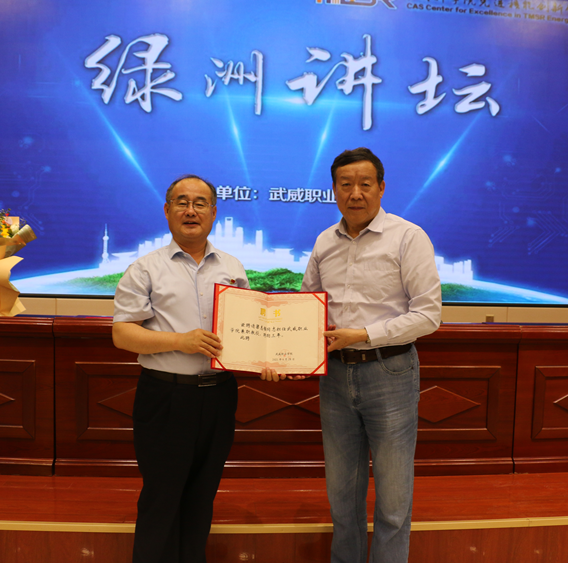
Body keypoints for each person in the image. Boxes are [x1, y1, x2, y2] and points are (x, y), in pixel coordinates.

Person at [113, 174, 274, 563]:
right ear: (167, 211)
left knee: (202, 497)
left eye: (200, 203)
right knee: (162, 498)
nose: (191, 210)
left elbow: (249, 331)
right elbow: (122, 334)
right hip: (166, 396)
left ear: (214, 213)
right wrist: (179, 341)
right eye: (182, 202)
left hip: (219, 396)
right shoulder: (145, 268)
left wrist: (271, 358)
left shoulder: (232, 267)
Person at [301, 148, 442, 563]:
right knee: (342, 495)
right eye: (345, 185)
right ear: (334, 190)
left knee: (394, 500)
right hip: (335, 376)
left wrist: (363, 334)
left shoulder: (408, 237)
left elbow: (428, 315)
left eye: (365, 184)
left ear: (381, 188)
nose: (355, 193)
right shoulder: (324, 241)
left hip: (390, 371)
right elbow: (307, 308)